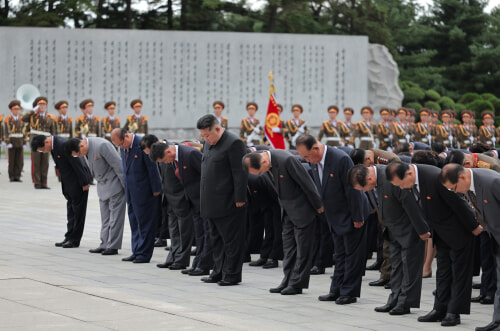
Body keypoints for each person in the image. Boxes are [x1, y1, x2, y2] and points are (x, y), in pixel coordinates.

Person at [386, 161, 482, 326]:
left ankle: (454, 311)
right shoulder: (411, 180)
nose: (402, 188)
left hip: (458, 230)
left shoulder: (434, 177)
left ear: (409, 174)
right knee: (443, 272)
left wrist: (474, 227)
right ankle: (440, 308)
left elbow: (458, 203)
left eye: (401, 184)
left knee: (459, 273)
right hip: (440, 231)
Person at [296, 135, 370, 305]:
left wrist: (357, 216)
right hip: (335, 215)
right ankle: (336, 290)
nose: (306, 160)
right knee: (340, 254)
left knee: (352, 255)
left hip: (352, 213)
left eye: (307, 156)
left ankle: (349, 292)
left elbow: (353, 190)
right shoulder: (315, 162)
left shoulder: (340, 159)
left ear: (316, 148)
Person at [349, 164, 430, 315]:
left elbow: (409, 203)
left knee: (410, 268)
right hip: (392, 230)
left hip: (409, 229)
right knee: (397, 266)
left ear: (369, 178)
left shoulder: (389, 177)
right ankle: (394, 298)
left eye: (364, 188)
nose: (365, 191)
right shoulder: (374, 181)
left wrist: (422, 229)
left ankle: (405, 302)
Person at [244, 149, 323, 295]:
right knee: (289, 249)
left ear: (264, 161)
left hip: (302, 210)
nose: (262, 174)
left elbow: (306, 183)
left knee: (303, 249)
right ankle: (287, 280)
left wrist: (318, 206)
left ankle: (297, 284)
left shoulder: (286, 160)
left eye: (261, 172)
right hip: (286, 211)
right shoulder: (266, 163)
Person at [440, 164, 500, 331]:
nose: (456, 192)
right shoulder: (467, 186)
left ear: (462, 178)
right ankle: (498, 321)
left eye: (454, 188)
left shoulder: (493, 181)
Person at [197, 114, 248, 286]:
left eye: (207, 135)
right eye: (203, 136)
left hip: (228, 202)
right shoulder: (208, 144)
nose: (205, 139)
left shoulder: (234, 143)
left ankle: (232, 274)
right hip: (211, 202)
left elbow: (239, 173)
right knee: (216, 240)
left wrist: (240, 198)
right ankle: (218, 271)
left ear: (217, 129)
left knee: (231, 240)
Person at [150, 141, 213, 276]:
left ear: (168, 152)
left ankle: (204, 265)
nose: (166, 163)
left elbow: (206, 176)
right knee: (200, 234)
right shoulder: (175, 158)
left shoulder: (190, 154)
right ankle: (197, 263)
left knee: (206, 233)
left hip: (202, 200)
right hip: (192, 201)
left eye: (164, 160)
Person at [64, 137, 126, 256]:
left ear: (81, 146)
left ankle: (113, 246)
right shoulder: (85, 150)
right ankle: (104, 244)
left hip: (115, 186)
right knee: (105, 218)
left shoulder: (102, 145)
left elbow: (118, 165)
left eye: (78, 154)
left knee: (115, 218)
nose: (80, 156)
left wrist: (125, 187)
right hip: (102, 187)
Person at [31, 134, 92, 248]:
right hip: (69, 184)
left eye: (42, 150)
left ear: (46, 143)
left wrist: (85, 182)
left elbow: (78, 162)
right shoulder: (54, 146)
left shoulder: (63, 145)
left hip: (78, 182)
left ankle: (75, 240)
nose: (44, 152)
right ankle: (69, 236)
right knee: (71, 211)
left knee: (78, 212)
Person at [110, 128, 161, 263]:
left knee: (145, 222)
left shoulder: (142, 143)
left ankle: (144, 254)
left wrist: (156, 189)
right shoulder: (123, 147)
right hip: (131, 191)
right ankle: (136, 250)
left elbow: (152, 167)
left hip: (145, 191)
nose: (120, 147)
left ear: (126, 136)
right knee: (134, 221)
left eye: (121, 144)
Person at [22, 96, 56, 189]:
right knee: (36, 162)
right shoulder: (32, 116)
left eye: (44, 104)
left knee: (45, 163)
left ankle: (44, 183)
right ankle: (37, 183)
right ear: (37, 106)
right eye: (40, 104)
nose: (42, 106)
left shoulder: (50, 117)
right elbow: (23, 119)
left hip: (46, 142)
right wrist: (33, 110)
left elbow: (53, 131)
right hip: (36, 141)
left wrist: (53, 142)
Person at [4, 100, 26, 182]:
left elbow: (24, 131)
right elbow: (6, 131)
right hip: (12, 141)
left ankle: (18, 176)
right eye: (15, 109)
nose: (16, 111)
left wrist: (24, 142)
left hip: (20, 141)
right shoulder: (8, 119)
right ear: (11, 110)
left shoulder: (22, 119)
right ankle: (12, 176)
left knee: (19, 160)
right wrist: (7, 142)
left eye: (18, 109)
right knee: (12, 160)